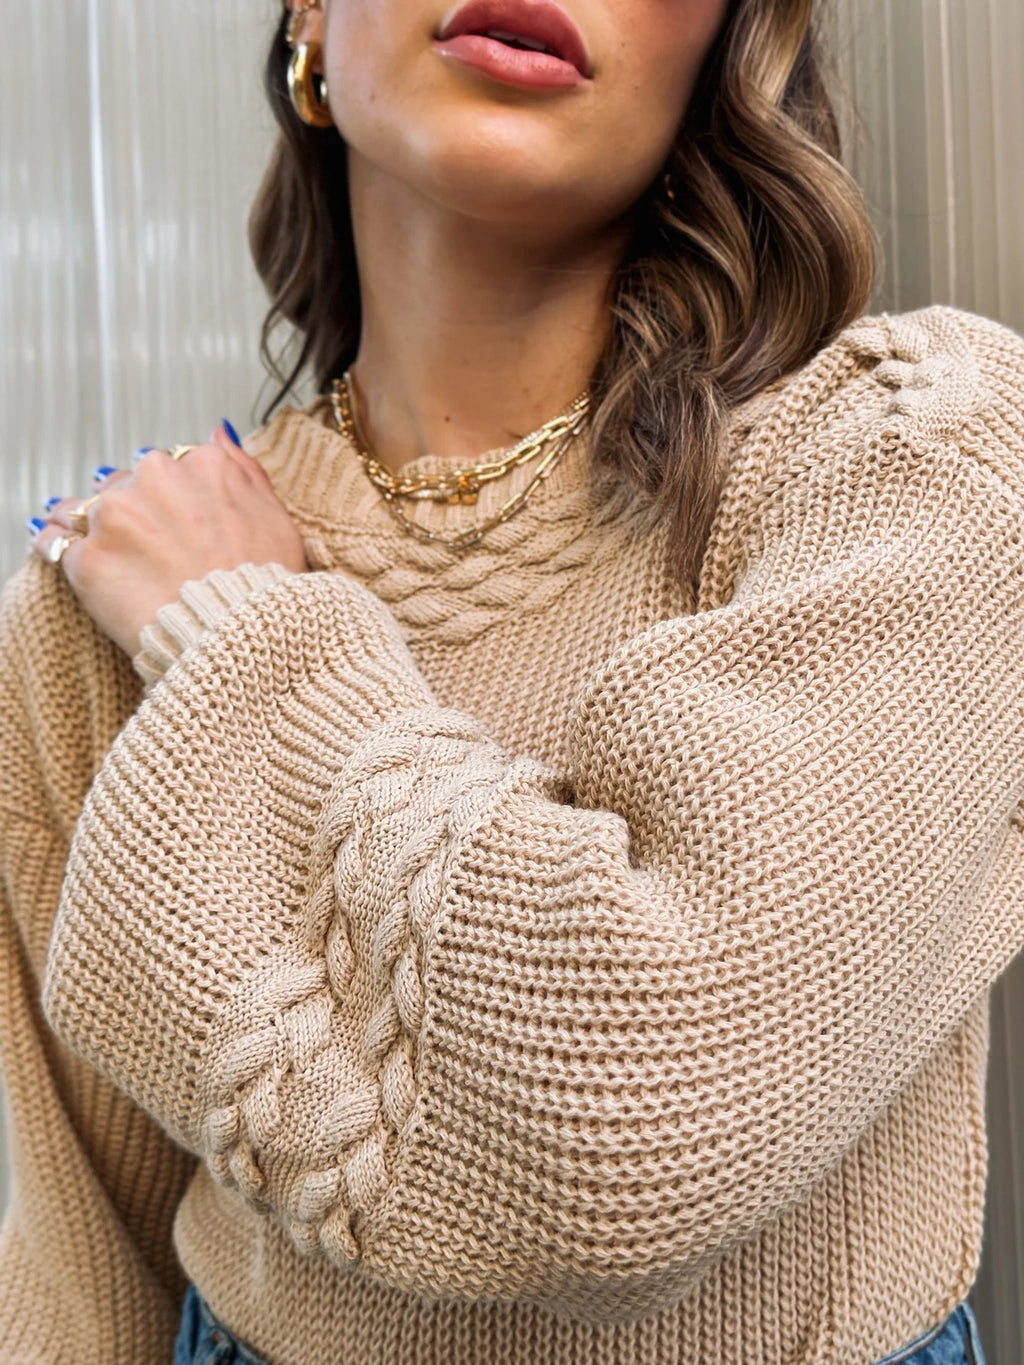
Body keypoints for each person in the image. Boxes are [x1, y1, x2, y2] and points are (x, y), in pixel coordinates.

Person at [1, 0, 1021, 1360]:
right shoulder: (99, 599)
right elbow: (82, 1277)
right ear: (310, 13)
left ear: (724, 45)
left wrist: (244, 639)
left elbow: (636, 1118)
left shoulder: (914, 458)